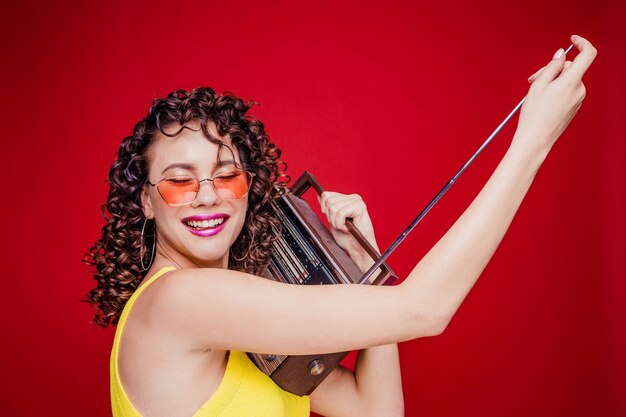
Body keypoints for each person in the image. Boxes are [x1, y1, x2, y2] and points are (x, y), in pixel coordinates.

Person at [85, 35, 596, 417]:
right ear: (147, 203)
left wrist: (364, 262)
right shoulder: (181, 302)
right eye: (179, 181)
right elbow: (425, 310)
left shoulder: (238, 319)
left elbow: (377, 411)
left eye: (226, 175)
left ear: (250, 187)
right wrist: (533, 142)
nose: (206, 196)